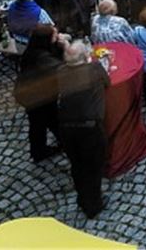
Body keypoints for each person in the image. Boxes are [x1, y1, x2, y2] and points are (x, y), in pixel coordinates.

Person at [57, 41, 109, 218]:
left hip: (66, 126)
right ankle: (93, 205)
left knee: (77, 164)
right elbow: (107, 82)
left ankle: (82, 197)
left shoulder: (61, 71)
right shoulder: (94, 69)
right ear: (85, 56)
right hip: (89, 127)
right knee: (93, 166)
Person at [14, 24, 64, 162]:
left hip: (32, 93)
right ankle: (41, 150)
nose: (58, 36)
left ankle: (42, 149)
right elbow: (61, 69)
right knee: (44, 121)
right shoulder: (43, 59)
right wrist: (65, 47)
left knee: (44, 121)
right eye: (55, 35)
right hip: (37, 97)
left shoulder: (34, 50)